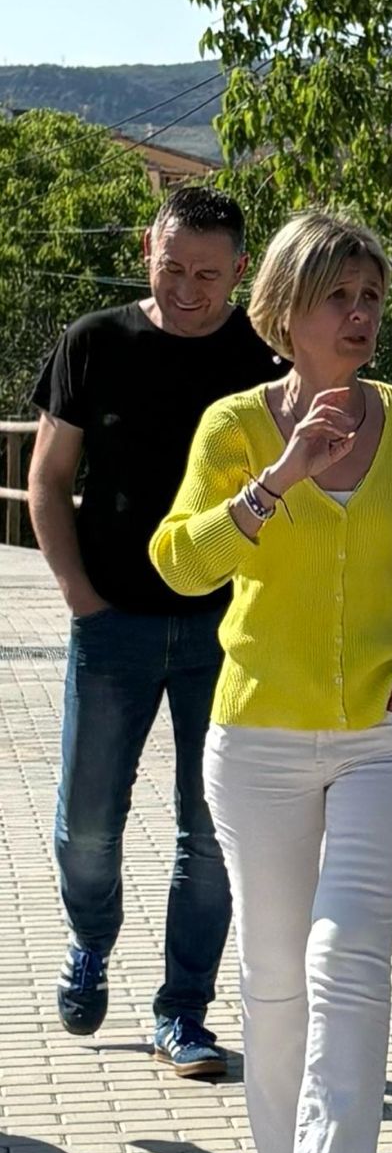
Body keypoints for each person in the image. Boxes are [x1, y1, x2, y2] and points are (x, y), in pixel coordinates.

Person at [150, 210, 392, 1153]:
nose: (362, 315)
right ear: (286, 311)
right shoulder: (236, 424)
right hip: (259, 740)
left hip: (385, 734)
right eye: (340, 296)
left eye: (372, 296)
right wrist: (281, 476)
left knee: (345, 961)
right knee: (274, 973)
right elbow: (179, 562)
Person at [29, 184, 283, 1077]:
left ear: (239, 271)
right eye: (172, 267)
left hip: (225, 633)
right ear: (148, 249)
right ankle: (90, 939)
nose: (185, 289)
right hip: (112, 626)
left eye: (207, 276)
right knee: (85, 827)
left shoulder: (264, 360)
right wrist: (79, 596)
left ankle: (184, 1013)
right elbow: (48, 478)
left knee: (210, 835)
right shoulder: (93, 341)